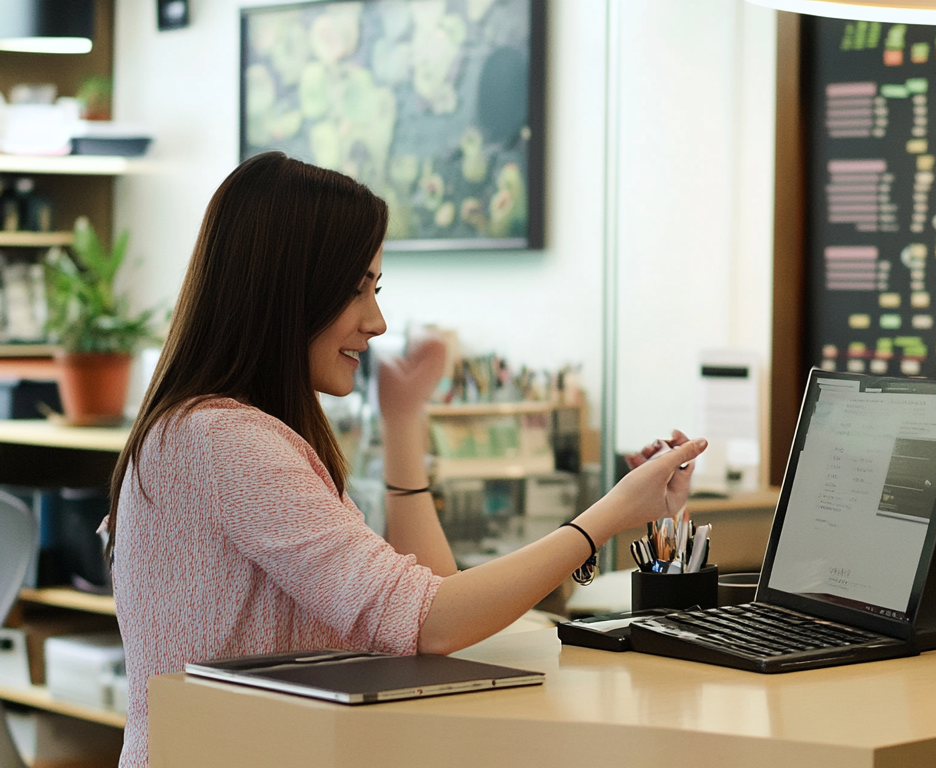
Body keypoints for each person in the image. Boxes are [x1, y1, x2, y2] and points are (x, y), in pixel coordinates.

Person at [107, 152, 706, 768]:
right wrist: (605, 516)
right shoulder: (223, 441)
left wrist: (403, 422)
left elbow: (431, 598)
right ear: (287, 292)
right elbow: (431, 623)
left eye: (376, 288)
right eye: (355, 290)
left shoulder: (216, 431)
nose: (377, 321)